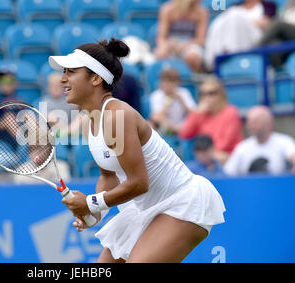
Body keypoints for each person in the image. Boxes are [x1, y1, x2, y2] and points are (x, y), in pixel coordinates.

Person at [49, 38, 225, 263]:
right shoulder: (88, 122)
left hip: (181, 202)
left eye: (71, 71)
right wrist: (94, 214)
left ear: (95, 78)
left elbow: (139, 183)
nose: (63, 78)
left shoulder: (116, 117)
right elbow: (108, 176)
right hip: (144, 209)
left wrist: (91, 202)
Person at [178, 77, 243, 165]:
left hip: (227, 157)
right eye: (203, 94)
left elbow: (225, 143)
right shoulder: (200, 114)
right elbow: (184, 134)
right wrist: (196, 113)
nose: (207, 97)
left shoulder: (231, 112)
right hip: (205, 156)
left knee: (218, 156)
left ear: (221, 94)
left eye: (212, 93)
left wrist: (207, 153)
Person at [204, 0, 276, 70]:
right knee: (219, 22)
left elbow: (266, 23)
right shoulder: (235, 6)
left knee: (235, 16)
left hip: (257, 39)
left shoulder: (268, 5)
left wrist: (243, 21)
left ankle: (231, 54)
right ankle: (213, 59)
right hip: (236, 36)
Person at [224, 106, 295, 176]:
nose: (249, 125)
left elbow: (292, 154)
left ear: (268, 123)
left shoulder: (284, 141)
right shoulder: (242, 147)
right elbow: (228, 172)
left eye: (255, 122)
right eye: (249, 121)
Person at [154, 0, 209, 72]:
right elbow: (161, 37)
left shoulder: (202, 12)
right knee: (160, 54)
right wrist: (165, 46)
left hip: (191, 45)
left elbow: (200, 39)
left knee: (192, 57)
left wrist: (184, 45)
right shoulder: (167, 9)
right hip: (171, 44)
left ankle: (191, 79)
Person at [149, 68, 196, 136]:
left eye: (170, 81)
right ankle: (178, 131)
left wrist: (181, 101)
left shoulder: (184, 92)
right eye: (164, 81)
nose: (166, 84)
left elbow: (193, 113)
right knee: (154, 118)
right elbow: (156, 117)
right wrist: (167, 104)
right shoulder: (156, 95)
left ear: (177, 82)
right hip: (165, 127)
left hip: (182, 125)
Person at [258, 0, 295, 67]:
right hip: (286, 35)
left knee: (276, 23)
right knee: (274, 44)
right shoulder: (289, 5)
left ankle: (256, 48)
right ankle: (279, 71)